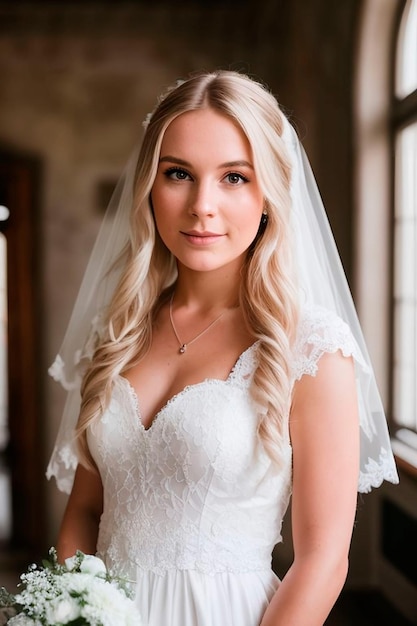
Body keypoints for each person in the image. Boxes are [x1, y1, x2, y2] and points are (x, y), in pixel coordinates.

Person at [47, 70, 398, 626]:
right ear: (149, 186)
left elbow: (323, 561)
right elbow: (86, 511)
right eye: (179, 174)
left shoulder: (309, 346)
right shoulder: (117, 332)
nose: (201, 205)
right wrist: (70, 617)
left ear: (270, 195)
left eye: (234, 177)